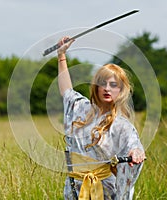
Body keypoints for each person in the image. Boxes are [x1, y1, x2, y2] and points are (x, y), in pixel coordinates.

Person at [57, 36, 146, 200]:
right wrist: (61, 55)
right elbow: (66, 91)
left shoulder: (121, 125)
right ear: (96, 87)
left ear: (121, 90)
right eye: (103, 83)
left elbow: (133, 144)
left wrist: (136, 152)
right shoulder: (80, 108)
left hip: (105, 191)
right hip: (75, 187)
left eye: (113, 85)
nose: (107, 89)